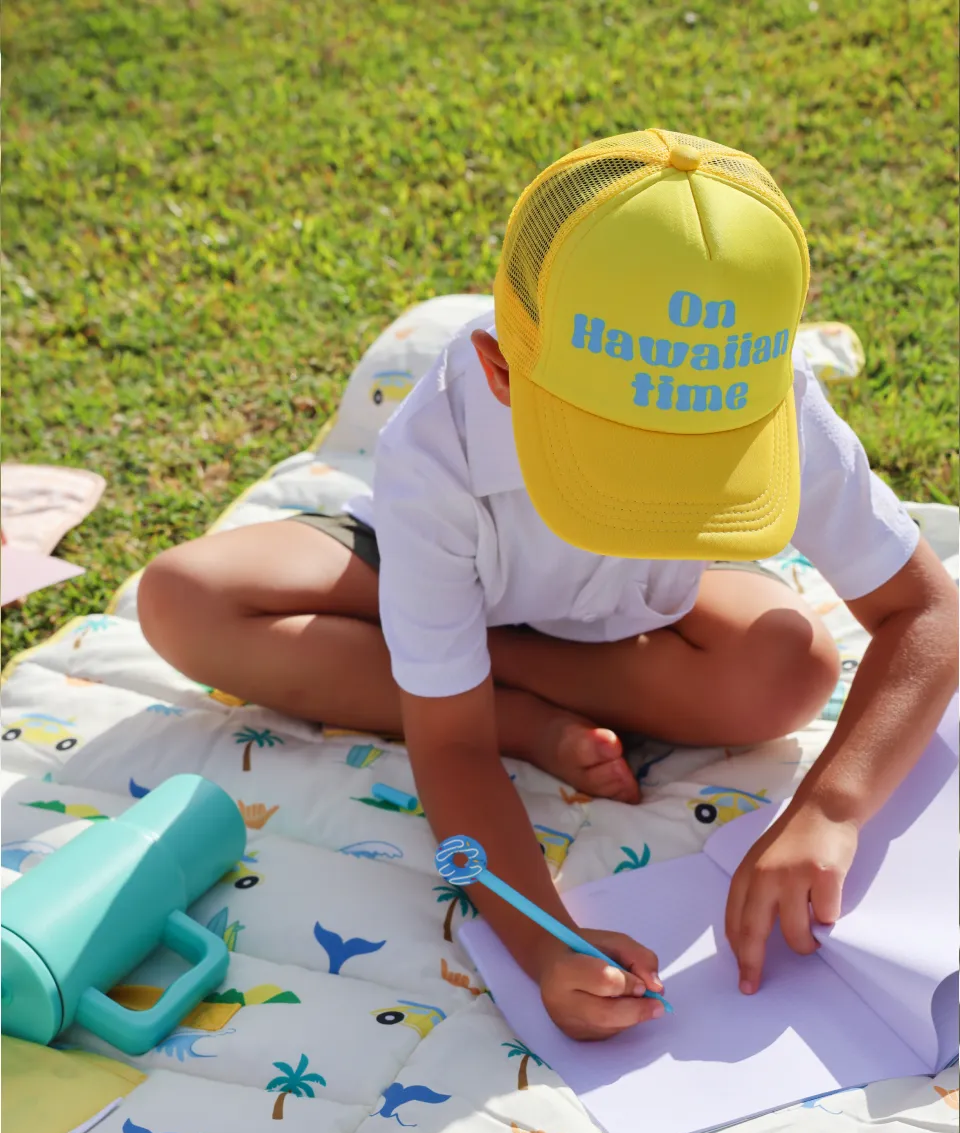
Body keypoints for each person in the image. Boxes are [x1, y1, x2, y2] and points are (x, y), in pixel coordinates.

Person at [138, 128, 958, 1041]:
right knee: (183, 599)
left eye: (698, 467)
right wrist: (544, 938)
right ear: (499, 371)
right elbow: (449, 750)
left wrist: (830, 809)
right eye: (621, 465)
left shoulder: (777, 393)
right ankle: (513, 707)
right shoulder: (440, 445)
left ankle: (473, 670)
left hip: (624, 624)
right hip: (465, 583)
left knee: (789, 668)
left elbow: (926, 611)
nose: (650, 500)